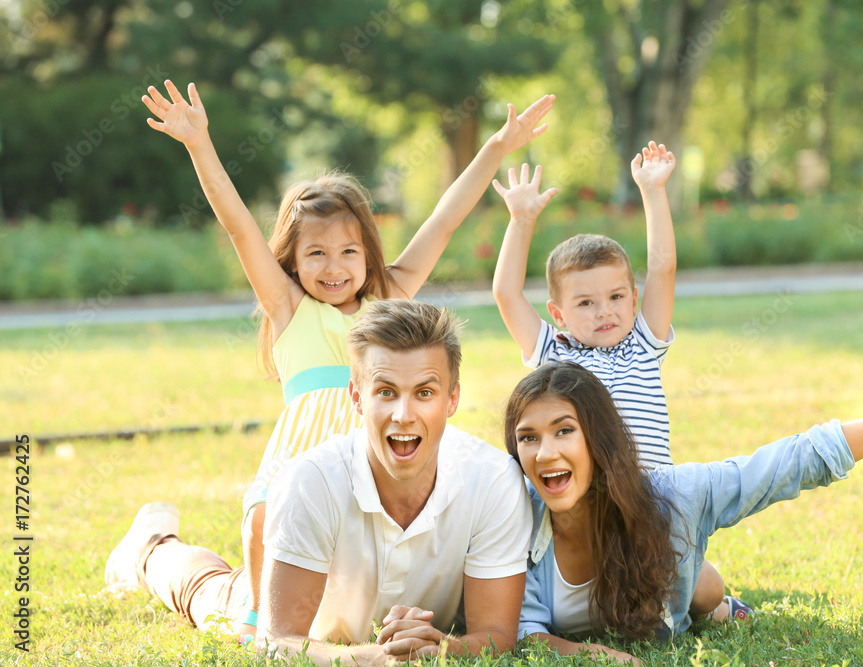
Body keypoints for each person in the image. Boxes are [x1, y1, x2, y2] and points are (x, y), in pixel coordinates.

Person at [141, 80, 553, 637]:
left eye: (348, 252)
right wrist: (199, 144)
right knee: (265, 518)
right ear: (291, 258)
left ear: (368, 254)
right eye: (315, 253)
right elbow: (239, 224)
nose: (333, 267)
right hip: (304, 458)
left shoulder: (391, 299)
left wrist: (498, 146)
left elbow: (444, 220)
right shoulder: (289, 306)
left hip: (373, 471)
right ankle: (185, 569)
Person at [503, 308, 863, 665]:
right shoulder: (510, 515)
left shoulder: (675, 496)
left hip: (672, 568)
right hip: (662, 577)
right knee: (696, 579)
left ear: (598, 439)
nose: (544, 452)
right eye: (528, 437)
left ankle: (719, 604)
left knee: (699, 584)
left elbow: (796, 459)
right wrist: (590, 653)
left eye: (564, 430)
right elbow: (521, 631)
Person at [104, 299, 532, 665]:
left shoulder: (493, 480)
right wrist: (368, 658)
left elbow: (496, 632)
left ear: (452, 398)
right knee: (210, 591)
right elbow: (273, 642)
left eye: (424, 392)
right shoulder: (309, 481)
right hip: (305, 612)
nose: (404, 414)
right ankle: (151, 546)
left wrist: (442, 649)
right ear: (356, 397)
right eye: (385, 391)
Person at [491, 144, 733, 620]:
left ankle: (724, 608)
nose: (605, 311)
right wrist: (520, 220)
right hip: (579, 514)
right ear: (558, 313)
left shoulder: (643, 343)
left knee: (704, 592)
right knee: (607, 605)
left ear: (633, 297)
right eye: (586, 303)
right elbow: (505, 292)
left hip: (648, 509)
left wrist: (653, 191)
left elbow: (663, 265)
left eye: (617, 297)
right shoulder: (553, 354)